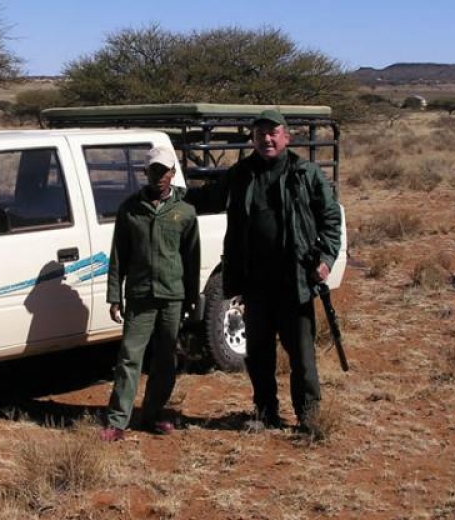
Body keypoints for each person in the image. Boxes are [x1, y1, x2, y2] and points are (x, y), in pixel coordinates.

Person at [221, 109, 342, 437]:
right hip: (256, 285)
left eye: (273, 133)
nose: (267, 139)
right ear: (253, 139)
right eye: (260, 134)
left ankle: (309, 417)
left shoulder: (306, 173)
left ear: (287, 136)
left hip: (295, 282)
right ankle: (265, 412)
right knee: (258, 353)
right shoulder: (242, 173)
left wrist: (326, 259)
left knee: (302, 355)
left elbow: (331, 219)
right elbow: (210, 196)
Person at [100, 145, 201, 442]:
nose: (159, 176)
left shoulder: (185, 213)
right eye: (153, 170)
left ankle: (153, 413)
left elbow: (191, 258)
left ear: (173, 173)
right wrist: (114, 294)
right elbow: (118, 254)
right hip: (140, 295)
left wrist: (192, 298)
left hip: (172, 295)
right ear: (146, 173)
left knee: (165, 357)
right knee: (130, 356)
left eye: (164, 171)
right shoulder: (130, 209)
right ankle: (119, 420)